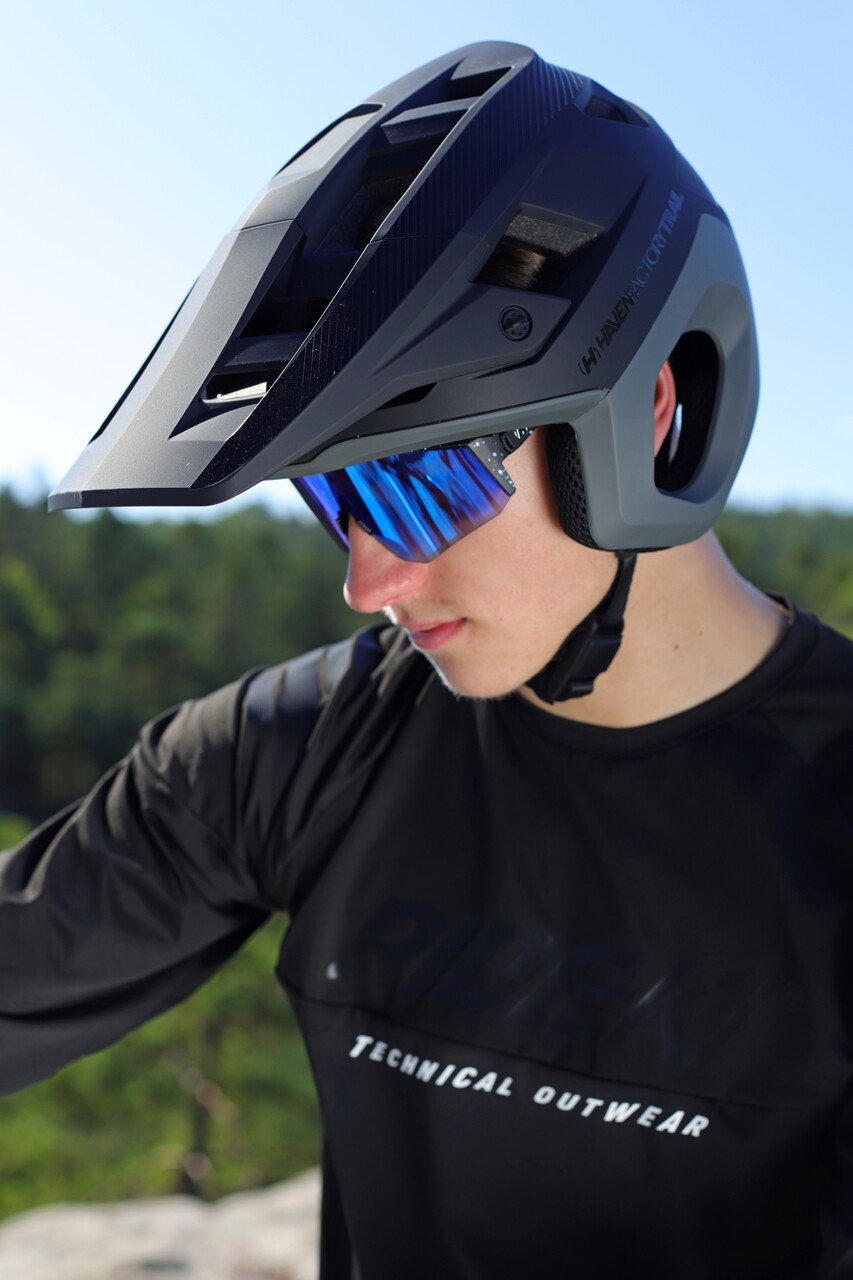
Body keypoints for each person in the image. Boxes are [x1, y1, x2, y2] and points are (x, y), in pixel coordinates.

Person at [3, 39, 853, 1280]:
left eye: (418, 488)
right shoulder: (295, 754)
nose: (370, 582)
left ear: (647, 411)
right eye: (334, 499)